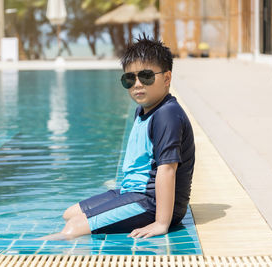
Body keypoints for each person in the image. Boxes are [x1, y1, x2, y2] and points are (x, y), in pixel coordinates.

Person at [40, 34, 195, 240]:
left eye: (146, 76)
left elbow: (167, 169)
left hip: (150, 202)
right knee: (69, 214)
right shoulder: (142, 110)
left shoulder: (167, 114)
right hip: (130, 191)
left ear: (166, 78)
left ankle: (25, 255)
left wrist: (161, 222)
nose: (137, 84)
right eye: (129, 79)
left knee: (73, 228)